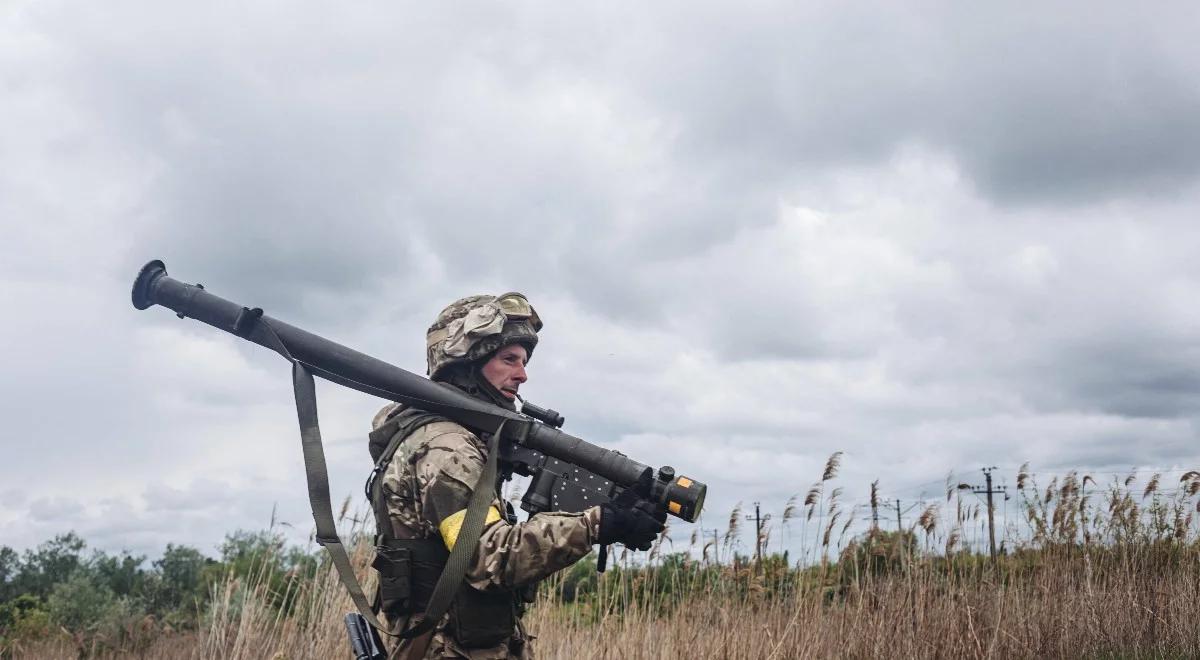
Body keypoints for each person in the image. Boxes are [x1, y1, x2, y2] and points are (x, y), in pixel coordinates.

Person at [367, 293, 666, 659]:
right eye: (509, 360)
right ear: (465, 364)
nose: (522, 374)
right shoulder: (446, 447)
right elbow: (487, 556)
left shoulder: (450, 438)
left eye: (523, 362)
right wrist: (597, 524)